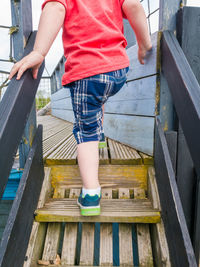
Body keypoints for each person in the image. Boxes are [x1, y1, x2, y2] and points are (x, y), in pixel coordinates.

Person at [9, 0, 152, 216]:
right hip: (118, 70)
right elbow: (134, 5)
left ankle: (91, 193)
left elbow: (55, 9)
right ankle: (100, 132)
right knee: (97, 100)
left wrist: (39, 52)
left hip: (87, 71)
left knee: (85, 131)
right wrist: (144, 44)